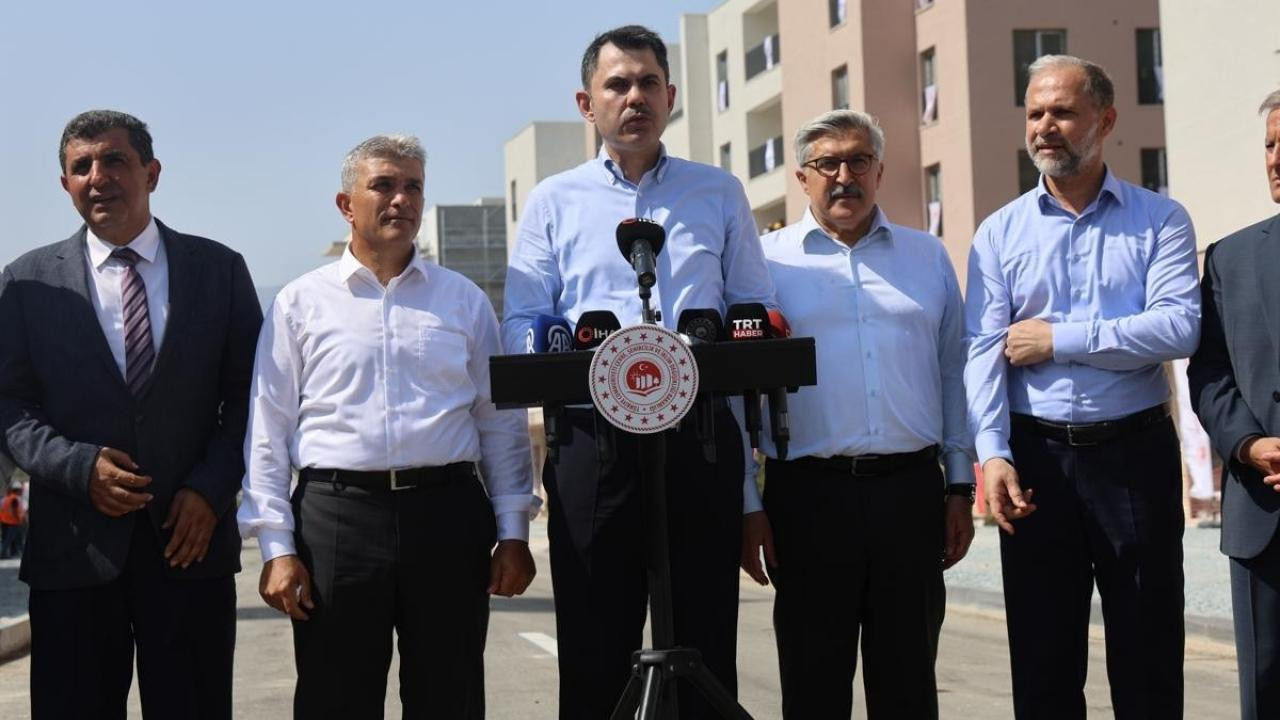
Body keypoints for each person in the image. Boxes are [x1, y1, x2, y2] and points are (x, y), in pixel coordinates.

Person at [502, 24, 776, 719]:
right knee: (595, 650)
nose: (635, 98)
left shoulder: (717, 192)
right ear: (586, 103)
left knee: (705, 640)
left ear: (671, 97)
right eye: (617, 85)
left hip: (700, 438)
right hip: (592, 444)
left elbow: (752, 316)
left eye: (649, 83)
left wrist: (748, 494)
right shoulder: (553, 200)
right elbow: (523, 320)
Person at [239, 134, 539, 720]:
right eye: (383, 185)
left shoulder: (463, 301)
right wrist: (276, 547)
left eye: (413, 187)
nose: (401, 198)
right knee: (335, 699)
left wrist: (513, 532)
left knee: (449, 696)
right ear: (345, 205)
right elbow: (267, 431)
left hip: (447, 517)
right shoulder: (299, 304)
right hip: (337, 519)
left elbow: (498, 424)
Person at [0, 109, 262, 718]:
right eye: (81, 167)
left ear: (152, 172)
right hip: (74, 555)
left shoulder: (219, 271)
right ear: (65, 183)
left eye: (114, 160)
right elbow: (9, 406)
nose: (98, 177)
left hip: (189, 547)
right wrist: (78, 467)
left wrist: (211, 489)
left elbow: (252, 398)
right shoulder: (25, 283)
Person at [964, 55, 1200, 718]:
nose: (1045, 126)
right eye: (1035, 113)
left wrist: (1057, 340)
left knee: (1149, 656)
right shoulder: (999, 232)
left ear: (1106, 120)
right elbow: (982, 350)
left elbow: (1176, 328)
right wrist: (993, 453)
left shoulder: (1160, 220)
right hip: (1035, 462)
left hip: (1135, 459)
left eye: (1063, 112)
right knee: (1042, 663)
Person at [740, 109, 974, 718]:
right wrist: (749, 503)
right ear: (802, 177)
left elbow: (954, 374)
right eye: (827, 164)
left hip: (910, 495)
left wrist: (959, 486)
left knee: (908, 685)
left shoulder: (927, 257)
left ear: (879, 171)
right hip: (807, 499)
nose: (845, 176)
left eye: (859, 161)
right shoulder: (764, 265)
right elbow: (737, 395)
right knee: (813, 687)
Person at [1187, 88, 1280, 720]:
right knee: (1266, 694)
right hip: (1263, 516)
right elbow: (1210, 372)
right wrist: (1248, 443)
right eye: (1269, 145)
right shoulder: (1231, 258)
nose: (1275, 158)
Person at [0, 482, 24, 559]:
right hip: (13, 522)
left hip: (5, 521)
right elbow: (15, 510)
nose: (21, 491)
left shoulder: (6, 498)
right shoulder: (14, 499)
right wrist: (19, 519)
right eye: (20, 490)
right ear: (17, 490)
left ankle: (14, 553)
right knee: (8, 540)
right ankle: (2, 554)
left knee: (13, 538)